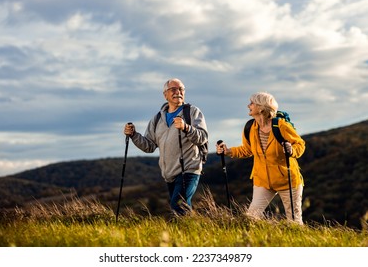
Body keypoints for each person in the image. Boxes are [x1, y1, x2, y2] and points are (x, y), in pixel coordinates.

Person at [216, 92, 305, 224]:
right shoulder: (250, 127)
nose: (248, 105)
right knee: (251, 217)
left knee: (294, 221)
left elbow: (300, 144)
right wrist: (228, 151)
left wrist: (292, 150)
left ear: (261, 108)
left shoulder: (281, 126)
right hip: (262, 180)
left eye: (252, 103)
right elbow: (247, 150)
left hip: (287, 180)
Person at [124, 78, 208, 216]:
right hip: (169, 173)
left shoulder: (192, 112)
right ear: (165, 94)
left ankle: (181, 234)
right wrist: (133, 135)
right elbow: (149, 146)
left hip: (189, 169)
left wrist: (186, 127)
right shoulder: (157, 119)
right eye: (173, 89)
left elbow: (203, 137)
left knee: (178, 205)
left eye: (181, 89)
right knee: (182, 207)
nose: (178, 92)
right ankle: (192, 232)